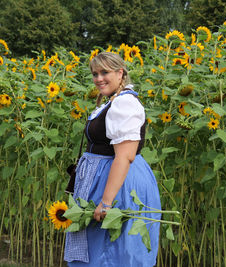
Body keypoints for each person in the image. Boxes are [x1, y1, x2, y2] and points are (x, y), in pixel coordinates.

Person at [64, 52, 161, 266]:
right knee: (100, 246)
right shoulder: (114, 101)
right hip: (104, 177)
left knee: (112, 250)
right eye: (95, 74)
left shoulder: (124, 104)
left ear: (120, 73)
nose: (99, 79)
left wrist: (106, 202)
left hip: (118, 183)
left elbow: (125, 156)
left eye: (105, 72)